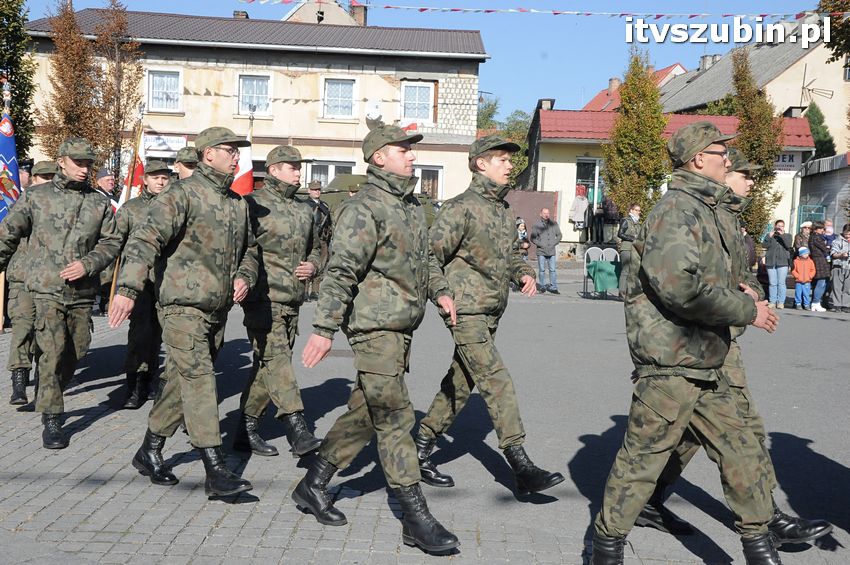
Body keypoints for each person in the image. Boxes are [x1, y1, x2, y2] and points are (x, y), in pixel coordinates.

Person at [590, 122, 782, 565]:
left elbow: (717, 277)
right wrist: (746, 310)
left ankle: (758, 545)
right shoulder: (675, 211)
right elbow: (680, 288)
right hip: (670, 360)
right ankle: (606, 546)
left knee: (742, 450)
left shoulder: (709, 210)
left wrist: (743, 290)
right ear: (698, 159)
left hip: (707, 358)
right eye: (721, 153)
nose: (728, 160)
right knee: (642, 460)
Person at [632, 147, 832, 549]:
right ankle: (766, 519)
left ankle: (647, 500)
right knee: (744, 433)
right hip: (694, 342)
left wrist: (751, 295)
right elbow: (676, 285)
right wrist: (743, 306)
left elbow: (747, 278)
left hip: (720, 341)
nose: (749, 180)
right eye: (742, 171)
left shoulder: (732, 220)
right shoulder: (694, 214)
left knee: (692, 435)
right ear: (717, 172)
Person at [292, 124, 460, 555]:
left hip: (401, 327)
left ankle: (313, 485)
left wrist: (439, 290)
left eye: (411, 150)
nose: (412, 156)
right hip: (373, 328)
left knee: (367, 412)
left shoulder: (409, 205)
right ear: (378, 156)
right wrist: (324, 329)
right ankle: (414, 516)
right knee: (396, 418)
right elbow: (341, 271)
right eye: (403, 149)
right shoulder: (365, 207)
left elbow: (423, 260)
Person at [109, 127, 258, 498]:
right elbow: (144, 240)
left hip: (217, 310)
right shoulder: (182, 195)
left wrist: (244, 274)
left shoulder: (236, 203)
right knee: (200, 381)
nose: (236, 156)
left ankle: (149, 450)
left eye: (237, 151)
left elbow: (251, 249)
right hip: (181, 307)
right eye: (230, 149)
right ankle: (216, 468)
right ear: (208, 154)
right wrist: (128, 289)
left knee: (179, 384)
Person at [413, 135, 564, 496]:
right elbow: (428, 257)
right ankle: (520, 463)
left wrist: (523, 272)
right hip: (465, 311)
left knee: (461, 381)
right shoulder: (460, 208)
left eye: (510, 161)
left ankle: (419, 446)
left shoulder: (502, 209)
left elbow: (512, 253)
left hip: (492, 309)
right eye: (502, 160)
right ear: (481, 163)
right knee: (496, 381)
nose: (510, 165)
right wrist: (442, 292)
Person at [0, 138, 122, 449]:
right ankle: (53, 418)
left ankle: (48, 389)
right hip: (45, 288)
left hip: (82, 292)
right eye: (79, 163)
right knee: (52, 352)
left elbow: (110, 244)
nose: (84, 169)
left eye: (88, 164)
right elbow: (8, 233)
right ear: (62, 161)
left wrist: (88, 264)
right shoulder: (36, 197)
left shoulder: (97, 203)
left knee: (76, 351)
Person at [235, 145, 323, 458]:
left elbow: (318, 248)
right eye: (292, 166)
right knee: (278, 361)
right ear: (273, 170)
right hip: (262, 297)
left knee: (266, 365)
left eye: (300, 166)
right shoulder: (252, 204)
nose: (298, 171)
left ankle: (244, 429)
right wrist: (242, 279)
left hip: (292, 300)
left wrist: (314, 266)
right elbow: (243, 248)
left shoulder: (305, 209)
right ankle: (296, 427)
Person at [114, 160, 171, 409]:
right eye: (155, 177)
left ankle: (154, 382)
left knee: (162, 335)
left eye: (165, 177)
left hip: (168, 281)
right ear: (145, 179)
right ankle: (134, 386)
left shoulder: (174, 207)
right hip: (138, 282)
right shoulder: (131, 209)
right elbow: (114, 242)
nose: (160, 181)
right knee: (139, 334)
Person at [5, 161, 57, 405]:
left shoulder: (60, 206)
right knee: (23, 327)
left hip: (50, 280)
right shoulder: (21, 204)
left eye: (51, 176)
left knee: (44, 332)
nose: (48, 181)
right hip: (22, 277)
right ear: (33, 179)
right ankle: (18, 379)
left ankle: (42, 376)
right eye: (43, 177)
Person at [304, 180, 331, 302]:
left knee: (321, 264)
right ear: (309, 190)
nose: (317, 191)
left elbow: (329, 223)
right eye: (314, 189)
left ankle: (315, 290)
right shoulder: (304, 205)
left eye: (319, 189)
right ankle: (304, 292)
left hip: (322, 239)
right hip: (309, 239)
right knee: (307, 263)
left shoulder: (324, 205)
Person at [762, 219, 792, 309]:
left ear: (784, 227)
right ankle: (772, 301)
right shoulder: (770, 235)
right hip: (771, 261)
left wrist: (782, 235)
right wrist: (769, 237)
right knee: (772, 283)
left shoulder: (787, 235)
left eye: (782, 226)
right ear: (775, 226)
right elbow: (764, 245)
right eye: (778, 225)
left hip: (783, 262)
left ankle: (781, 302)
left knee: (781, 283)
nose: (780, 227)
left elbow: (788, 245)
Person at [530, 207, 561, 294]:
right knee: (542, 270)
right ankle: (542, 286)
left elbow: (559, 235)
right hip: (541, 251)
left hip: (552, 251)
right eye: (544, 213)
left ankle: (554, 287)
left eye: (547, 213)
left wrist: (554, 243)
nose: (546, 215)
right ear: (541, 214)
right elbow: (532, 238)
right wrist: (541, 244)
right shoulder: (536, 225)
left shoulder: (554, 224)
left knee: (553, 270)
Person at [617, 202, 641, 295]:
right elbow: (620, 234)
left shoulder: (638, 223)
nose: (638, 212)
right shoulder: (626, 220)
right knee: (626, 270)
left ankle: (630, 292)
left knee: (634, 271)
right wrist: (632, 238)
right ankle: (622, 292)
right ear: (631, 210)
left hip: (636, 250)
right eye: (636, 210)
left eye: (639, 211)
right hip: (626, 248)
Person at [808, 220, 830, 312]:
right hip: (819, 261)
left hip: (820, 261)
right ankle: (815, 302)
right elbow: (824, 248)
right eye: (821, 228)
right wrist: (828, 246)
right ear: (816, 229)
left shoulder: (814, 237)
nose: (823, 230)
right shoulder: (816, 237)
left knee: (823, 283)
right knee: (820, 283)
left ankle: (816, 302)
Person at [829, 224, 850, 313]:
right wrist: (841, 255)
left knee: (848, 287)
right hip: (838, 266)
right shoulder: (836, 241)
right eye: (846, 234)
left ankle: (846, 305)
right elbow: (833, 254)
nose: (848, 236)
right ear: (843, 232)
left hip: (848, 267)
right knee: (837, 287)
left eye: (849, 234)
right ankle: (837, 304)